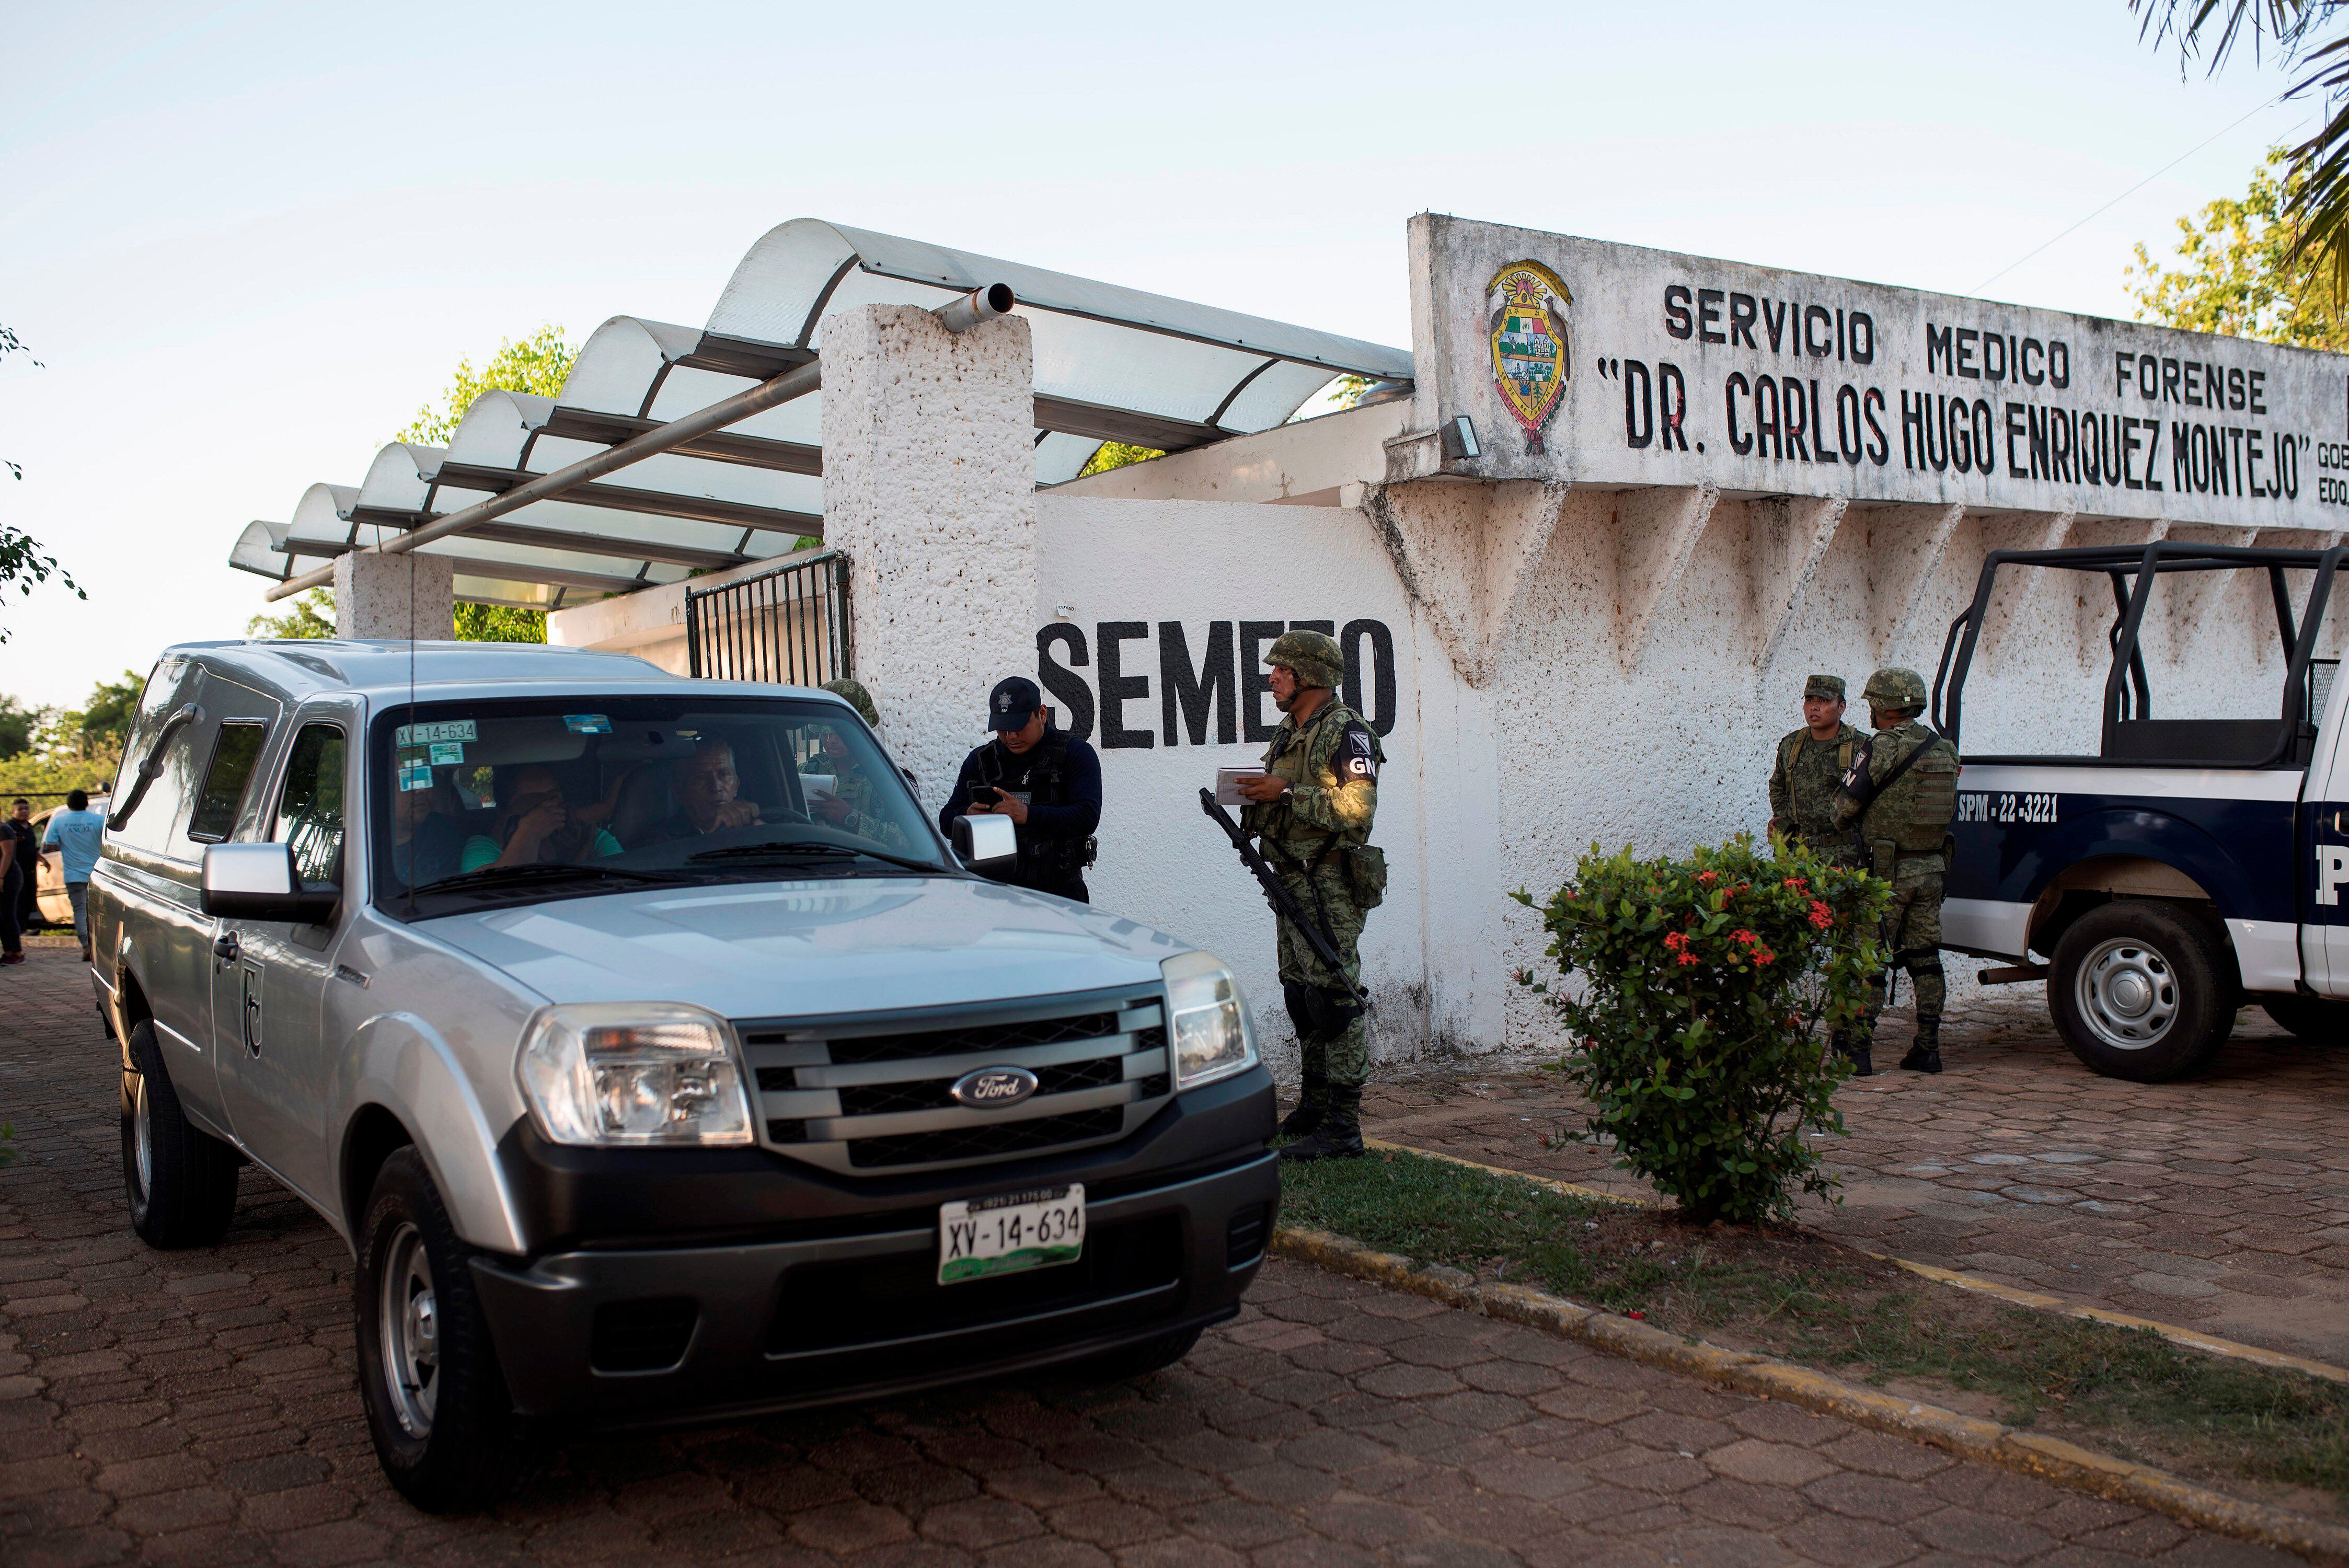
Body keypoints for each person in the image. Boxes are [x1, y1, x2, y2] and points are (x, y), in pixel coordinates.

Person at [1234, 629, 1384, 1162]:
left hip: (1329, 884)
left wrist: (1288, 793)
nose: (1272, 677)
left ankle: (1344, 1129)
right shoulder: (1289, 731)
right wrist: (1256, 798)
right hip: (1290, 878)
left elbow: (1356, 810)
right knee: (1302, 995)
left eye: (1282, 670)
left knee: (1335, 998)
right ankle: (1315, 1108)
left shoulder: (1348, 733)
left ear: (1310, 677)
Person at [1834, 667, 1961, 1074]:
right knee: (1925, 956)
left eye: (1873, 704)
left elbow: (1844, 809)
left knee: (1869, 958)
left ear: (1882, 707)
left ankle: (1857, 1052)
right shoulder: (1944, 748)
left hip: (1888, 875)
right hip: (1932, 869)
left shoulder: (1881, 747)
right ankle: (1928, 1048)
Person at [939, 676, 1100, 902]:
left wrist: (1028, 815)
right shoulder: (980, 760)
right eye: (1002, 729)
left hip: (1060, 894)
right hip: (994, 895)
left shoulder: (1075, 754)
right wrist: (967, 816)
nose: (1011, 737)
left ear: (1042, 715)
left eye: (1018, 726)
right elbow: (945, 820)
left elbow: (1087, 816)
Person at [458, 765, 624, 873]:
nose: (548, 804)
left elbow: (621, 881)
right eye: (533, 800)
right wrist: (530, 832)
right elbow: (487, 891)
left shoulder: (595, 838)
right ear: (507, 809)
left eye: (554, 796)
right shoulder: (483, 846)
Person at [803, 679, 906, 849]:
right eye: (824, 733)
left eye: (838, 732)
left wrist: (850, 818)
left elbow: (911, 842)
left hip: (872, 869)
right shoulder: (807, 771)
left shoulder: (889, 777)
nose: (831, 741)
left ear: (862, 728)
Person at [642, 738, 763, 845]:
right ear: (678, 792)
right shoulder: (660, 840)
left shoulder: (755, 827)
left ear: (737, 785)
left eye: (724, 774)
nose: (716, 788)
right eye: (701, 778)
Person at [41, 789, 106, 962]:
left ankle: (86, 946)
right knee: (100, 912)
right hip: (98, 874)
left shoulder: (59, 821)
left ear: (69, 805)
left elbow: (51, 845)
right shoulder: (99, 820)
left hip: (74, 875)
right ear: (87, 803)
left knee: (79, 910)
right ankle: (101, 947)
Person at [388, 779, 467, 890]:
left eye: (424, 778)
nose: (422, 790)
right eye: (405, 779)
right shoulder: (361, 846)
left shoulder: (451, 831)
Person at [9, 801, 37, 932]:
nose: (24, 811)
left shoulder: (30, 827)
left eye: (26, 808)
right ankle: (20, 930)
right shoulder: (10, 828)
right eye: (20, 809)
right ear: (14, 812)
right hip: (16, 871)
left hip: (30, 870)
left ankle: (24, 928)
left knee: (29, 900)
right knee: (19, 900)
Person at [0, 803, 20, 967]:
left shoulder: (4, 829)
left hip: (9, 877)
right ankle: (8, 952)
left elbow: (7, 855)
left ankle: (17, 952)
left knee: (8, 914)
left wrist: (1, 877)